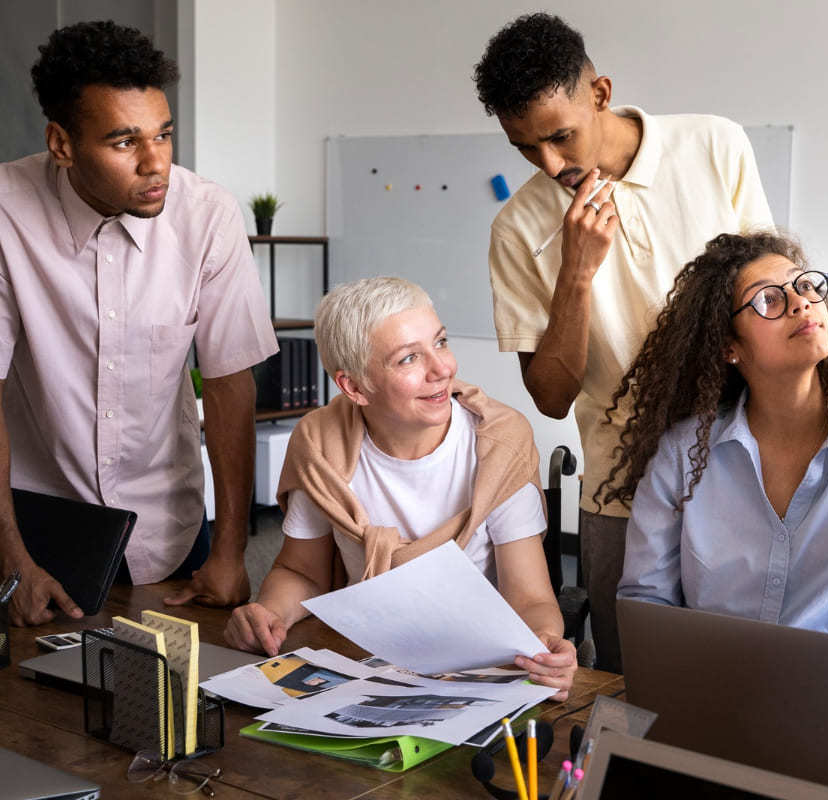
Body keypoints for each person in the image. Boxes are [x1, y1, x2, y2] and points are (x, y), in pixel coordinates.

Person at [475, 13, 774, 671]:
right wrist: (576, 275)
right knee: (627, 686)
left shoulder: (714, 146)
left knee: (749, 681)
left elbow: (766, 301)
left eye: (560, 136)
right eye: (525, 148)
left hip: (744, 471)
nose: (550, 164)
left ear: (600, 94)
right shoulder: (517, 229)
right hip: (619, 495)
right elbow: (551, 398)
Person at [0, 20, 277, 625]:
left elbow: (231, 384)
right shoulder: (5, 212)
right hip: (35, 528)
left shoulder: (207, 215)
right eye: (125, 142)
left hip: (172, 533)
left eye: (164, 134)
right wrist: (13, 560)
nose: (156, 163)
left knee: (178, 706)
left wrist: (231, 549)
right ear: (62, 143)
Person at [225, 278, 577, 700]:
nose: (443, 368)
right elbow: (301, 571)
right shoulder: (321, 445)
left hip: (475, 663)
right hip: (364, 658)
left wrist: (544, 643)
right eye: (409, 358)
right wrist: (269, 613)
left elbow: (530, 598)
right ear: (354, 387)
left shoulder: (498, 445)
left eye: (440, 342)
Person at [602, 233, 828, 640]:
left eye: (805, 285)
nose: (801, 303)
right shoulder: (681, 453)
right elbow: (646, 602)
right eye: (769, 300)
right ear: (728, 346)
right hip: (707, 692)